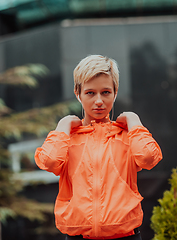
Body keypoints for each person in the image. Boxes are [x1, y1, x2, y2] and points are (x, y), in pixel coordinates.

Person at [35, 55, 163, 240]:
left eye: (105, 92)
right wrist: (62, 126)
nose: (98, 101)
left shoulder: (127, 135)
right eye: (90, 93)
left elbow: (149, 158)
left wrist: (134, 121)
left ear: (115, 92)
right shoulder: (67, 138)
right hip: (78, 236)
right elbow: (50, 162)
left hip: (125, 236)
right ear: (77, 93)